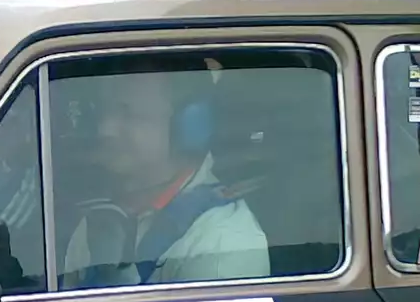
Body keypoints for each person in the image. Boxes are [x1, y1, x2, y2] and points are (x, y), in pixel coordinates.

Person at [59, 69, 267, 288]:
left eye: (128, 115)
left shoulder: (222, 242)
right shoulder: (104, 217)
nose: (105, 129)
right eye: (105, 111)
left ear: (186, 125)